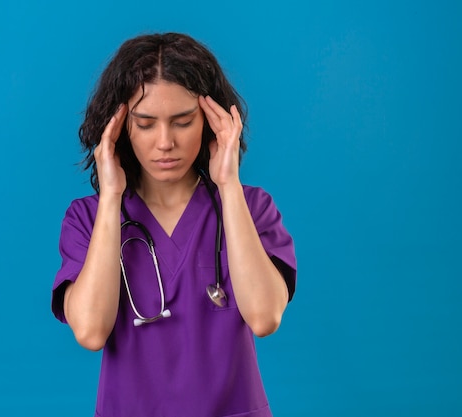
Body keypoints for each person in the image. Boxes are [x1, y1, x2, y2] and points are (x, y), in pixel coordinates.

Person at [51, 32, 296, 417]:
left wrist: (228, 185)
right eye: (145, 124)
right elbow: (91, 331)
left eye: (182, 122)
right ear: (118, 128)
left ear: (211, 121)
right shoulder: (89, 218)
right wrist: (112, 195)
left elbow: (265, 318)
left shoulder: (252, 208)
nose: (165, 142)